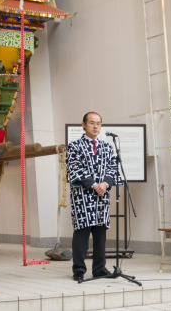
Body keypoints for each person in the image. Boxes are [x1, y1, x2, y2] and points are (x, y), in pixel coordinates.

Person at [66, 111, 118, 282]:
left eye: (98, 123)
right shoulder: (74, 146)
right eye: (92, 123)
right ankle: (79, 269)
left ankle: (99, 269)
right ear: (83, 125)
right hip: (83, 196)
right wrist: (94, 185)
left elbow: (112, 169)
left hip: (102, 196)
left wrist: (106, 183)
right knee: (82, 232)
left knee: (100, 233)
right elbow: (75, 169)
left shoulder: (107, 147)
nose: (96, 126)